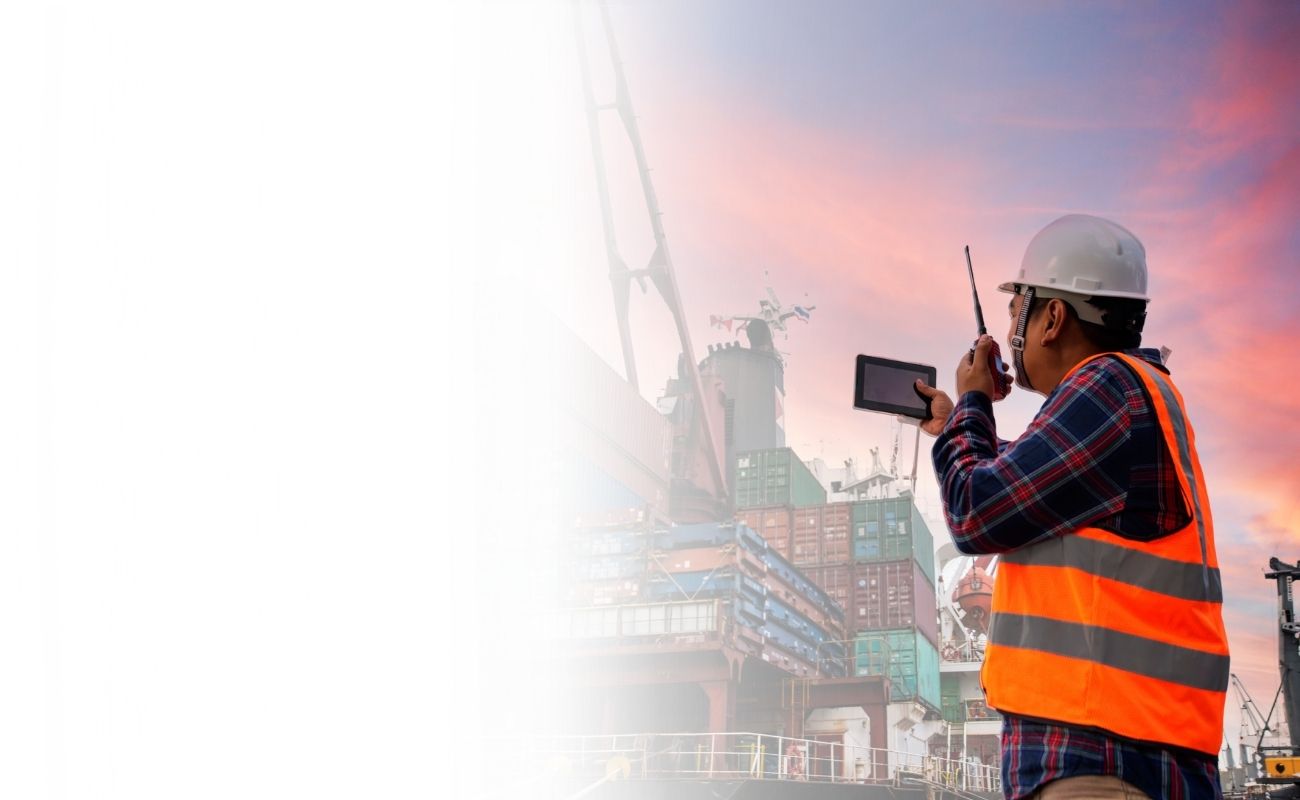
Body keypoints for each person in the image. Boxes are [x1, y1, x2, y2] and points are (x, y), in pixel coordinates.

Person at [915, 214, 1229, 800]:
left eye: (1017, 310)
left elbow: (975, 510)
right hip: (1128, 747)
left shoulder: (1108, 386)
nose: (1009, 329)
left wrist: (976, 399)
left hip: (1103, 756)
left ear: (1053, 318)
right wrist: (954, 424)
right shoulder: (1133, 392)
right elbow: (1045, 489)